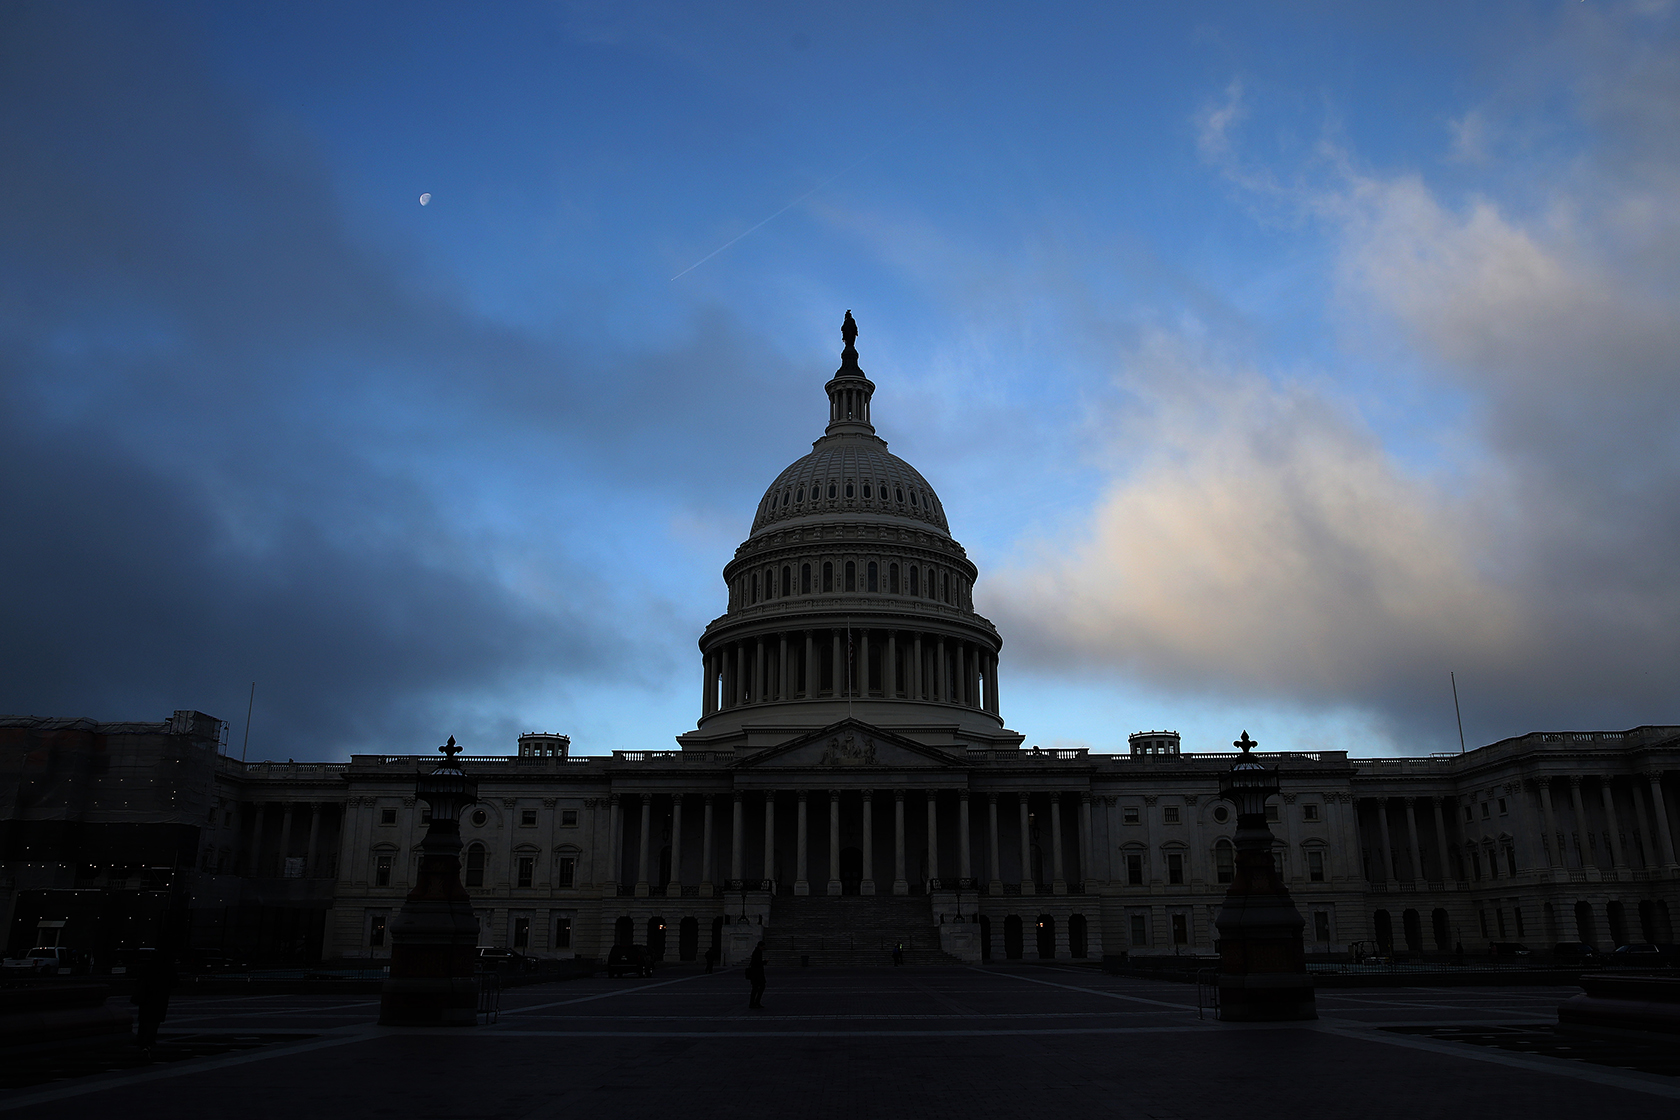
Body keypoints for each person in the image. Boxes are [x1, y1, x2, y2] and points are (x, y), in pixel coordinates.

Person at [132, 947, 176, 1052]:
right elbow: (175, 981)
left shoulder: (148, 967)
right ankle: (149, 1039)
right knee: (154, 1021)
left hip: (147, 998)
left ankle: (142, 1039)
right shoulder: (167, 968)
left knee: (145, 1020)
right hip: (159, 998)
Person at [746, 940, 766, 1009]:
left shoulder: (756, 952)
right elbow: (758, 963)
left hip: (755, 974)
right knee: (758, 988)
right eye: (763, 947)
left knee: (756, 988)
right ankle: (755, 1002)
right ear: (760, 946)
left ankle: (754, 1002)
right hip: (757, 974)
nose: (764, 948)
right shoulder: (757, 952)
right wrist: (764, 962)